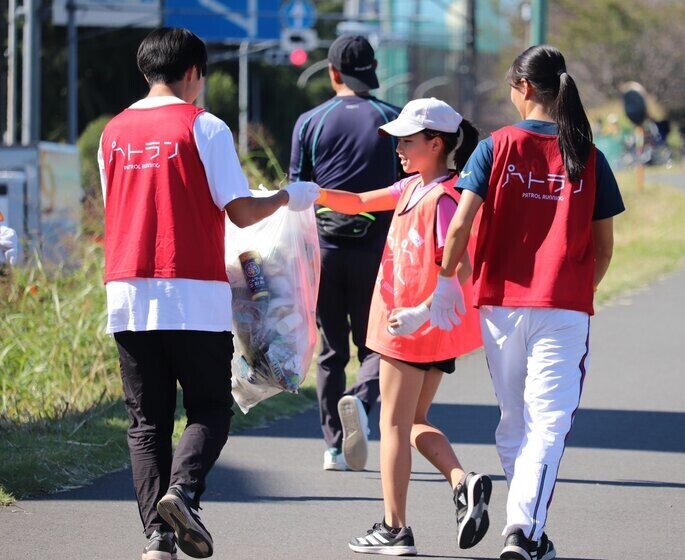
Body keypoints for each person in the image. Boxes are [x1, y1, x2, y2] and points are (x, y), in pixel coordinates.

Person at [98, 27, 319, 560]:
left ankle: (158, 536)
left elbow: (115, 209)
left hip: (127, 292)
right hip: (193, 291)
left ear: (145, 70)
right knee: (209, 407)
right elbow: (240, 211)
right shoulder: (204, 126)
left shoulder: (113, 132)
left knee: (146, 421)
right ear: (194, 72)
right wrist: (288, 197)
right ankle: (184, 492)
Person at [429, 45, 625, 560]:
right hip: (563, 307)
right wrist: (581, 288)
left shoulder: (495, 147)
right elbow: (604, 247)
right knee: (548, 423)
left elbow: (460, 224)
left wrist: (447, 279)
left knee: (516, 422)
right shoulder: (588, 154)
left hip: (499, 307)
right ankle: (523, 530)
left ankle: (527, 527)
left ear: (525, 88)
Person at [315, 98, 492, 556]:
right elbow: (355, 203)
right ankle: (463, 481)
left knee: (393, 426)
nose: (398, 148)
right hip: (422, 328)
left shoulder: (444, 198)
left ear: (436, 144)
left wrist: (424, 309)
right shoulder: (413, 187)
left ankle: (396, 530)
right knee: (413, 421)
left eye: (407, 141)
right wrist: (305, 194)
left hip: (411, 328)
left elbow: (462, 264)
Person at [289, 35, 403, 472]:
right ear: (372, 72)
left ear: (333, 72)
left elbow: (297, 192)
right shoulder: (393, 120)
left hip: (323, 250)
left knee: (331, 349)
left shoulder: (310, 122)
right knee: (377, 344)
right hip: (379, 250)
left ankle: (334, 448)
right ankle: (359, 399)